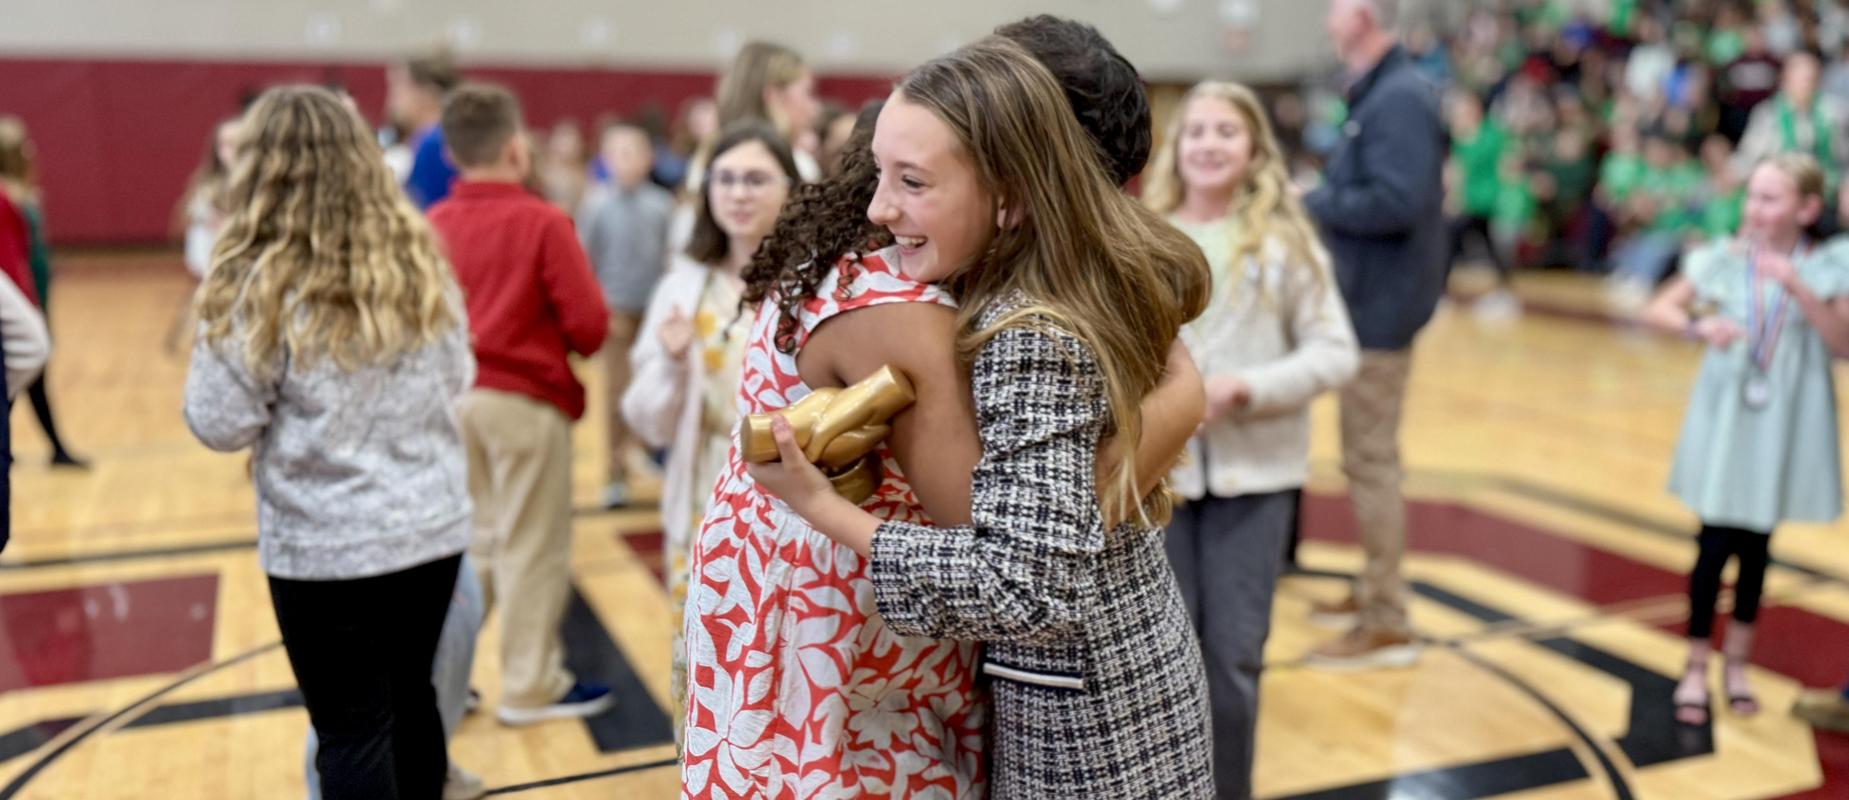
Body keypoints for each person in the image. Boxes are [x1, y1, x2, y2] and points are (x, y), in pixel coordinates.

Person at [681, 16, 1193, 798]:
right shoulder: (913, 302)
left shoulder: (922, 277)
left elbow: (1021, 559)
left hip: (845, 620)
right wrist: (1182, 401)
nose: (887, 204)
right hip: (843, 634)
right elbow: (1016, 558)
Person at [182, 85, 473, 798]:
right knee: (414, 703)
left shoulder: (255, 278)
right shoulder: (416, 257)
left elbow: (219, 421)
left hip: (323, 543)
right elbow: (459, 372)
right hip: (429, 529)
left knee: (352, 731)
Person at [1142, 80, 1360, 800]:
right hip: (1157, 481)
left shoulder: (1285, 239)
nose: (1208, 144)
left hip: (1255, 481)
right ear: (1177, 145)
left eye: (1225, 132)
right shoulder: (1145, 233)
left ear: (1254, 148)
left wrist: (1246, 388)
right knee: (1163, 661)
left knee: (1232, 659)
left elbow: (1335, 352)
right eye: (1195, 130)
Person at [425, 83, 615, 725]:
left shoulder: (432, 226)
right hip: (525, 401)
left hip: (455, 401)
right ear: (516, 147)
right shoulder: (541, 221)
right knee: (532, 545)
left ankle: (438, 671)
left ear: (450, 154)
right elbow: (588, 325)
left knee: (477, 541)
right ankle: (530, 684)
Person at [1639, 154, 1849, 726]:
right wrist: (1698, 326)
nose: (1754, 209)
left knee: (1757, 546)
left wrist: (1800, 289)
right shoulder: (1726, 260)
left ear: (1805, 210)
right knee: (1712, 542)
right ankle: (1693, 664)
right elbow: (1657, 306)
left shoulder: (1828, 265)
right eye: (1751, 196)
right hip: (1729, 415)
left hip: (1783, 420)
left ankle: (1737, 665)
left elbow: (1842, 344)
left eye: (1769, 199)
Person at [622, 121, 794, 744]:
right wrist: (669, 363)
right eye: (725, 179)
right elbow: (644, 420)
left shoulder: (812, 286)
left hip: (793, 511)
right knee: (703, 661)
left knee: (780, 666)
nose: (738, 193)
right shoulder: (684, 286)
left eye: (755, 178)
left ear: (791, 188)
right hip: (703, 501)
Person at [1302, 0, 1448, 669]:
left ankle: (1387, 614)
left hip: (1380, 310)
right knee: (1364, 457)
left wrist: (1312, 199)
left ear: (1362, 12)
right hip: (1367, 302)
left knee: (1369, 461)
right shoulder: (1382, 90)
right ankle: (1370, 589)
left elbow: (1397, 200)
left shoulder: (1398, 98)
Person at [578, 123, 673, 509]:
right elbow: (587, 261)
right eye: (619, 152)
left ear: (649, 158)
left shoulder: (663, 206)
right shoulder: (596, 205)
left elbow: (671, 258)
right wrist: (601, 306)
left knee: (661, 387)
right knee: (617, 393)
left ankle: (655, 456)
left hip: (655, 312)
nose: (627, 160)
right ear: (606, 159)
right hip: (617, 311)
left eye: (635, 152)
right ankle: (614, 474)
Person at [0, 117, 84, 467]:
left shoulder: (24, 193)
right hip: (19, 296)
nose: (32, 149)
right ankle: (56, 448)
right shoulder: (7, 197)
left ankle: (54, 448)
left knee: (31, 371)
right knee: (30, 367)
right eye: (24, 145)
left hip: (33, 290)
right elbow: (10, 257)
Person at [390, 49, 463, 209]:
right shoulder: (426, 141)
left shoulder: (434, 144)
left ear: (427, 94)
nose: (392, 99)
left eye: (399, 88)